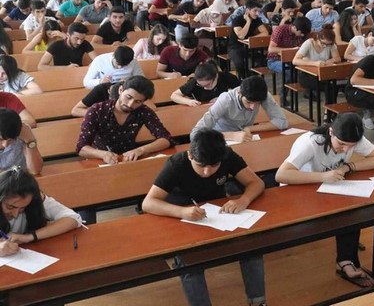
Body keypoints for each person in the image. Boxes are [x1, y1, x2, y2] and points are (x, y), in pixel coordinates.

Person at [142, 128, 267, 306]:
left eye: (214, 166)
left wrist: (243, 200)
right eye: (201, 166)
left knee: (250, 248)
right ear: (190, 155)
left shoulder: (226, 155)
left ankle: (258, 301)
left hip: (218, 216)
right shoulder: (177, 164)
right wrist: (182, 212)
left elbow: (256, 182)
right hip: (182, 218)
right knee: (190, 263)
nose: (207, 172)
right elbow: (148, 203)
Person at [275, 113, 374, 288]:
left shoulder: (351, 137)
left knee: (355, 206)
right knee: (347, 213)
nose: (346, 150)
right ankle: (347, 259)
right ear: (331, 132)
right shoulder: (310, 143)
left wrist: (349, 166)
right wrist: (323, 176)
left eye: (351, 147)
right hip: (301, 192)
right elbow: (281, 175)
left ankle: (346, 260)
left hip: (327, 189)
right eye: (341, 144)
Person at [77, 75, 173, 164]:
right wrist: (103, 154)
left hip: (129, 159)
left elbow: (166, 138)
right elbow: (81, 147)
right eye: (128, 97)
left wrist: (141, 150)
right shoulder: (97, 110)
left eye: (138, 101)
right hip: (99, 159)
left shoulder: (143, 111)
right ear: (120, 90)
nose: (130, 104)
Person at [0, 166, 82, 257]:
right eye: (10, 207)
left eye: (22, 208)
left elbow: (73, 219)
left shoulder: (35, 199)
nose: (15, 215)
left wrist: (29, 237)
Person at [191, 75, 287, 142]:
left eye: (258, 103)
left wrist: (249, 128)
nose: (253, 107)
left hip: (245, 138)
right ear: (239, 93)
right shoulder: (226, 100)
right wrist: (232, 135)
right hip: (220, 139)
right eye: (248, 102)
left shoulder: (262, 94)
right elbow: (195, 134)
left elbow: (282, 122)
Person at [292, 25, 342, 92]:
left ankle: (328, 99)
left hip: (322, 73)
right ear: (318, 38)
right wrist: (315, 63)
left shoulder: (330, 44)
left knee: (332, 85)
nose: (325, 46)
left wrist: (330, 61)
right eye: (323, 43)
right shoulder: (308, 43)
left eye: (328, 44)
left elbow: (338, 58)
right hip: (307, 75)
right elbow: (295, 61)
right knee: (329, 87)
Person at [229, 0, 269, 77]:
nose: (257, 13)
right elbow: (241, 36)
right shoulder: (237, 19)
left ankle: (251, 75)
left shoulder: (257, 19)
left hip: (249, 45)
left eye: (258, 11)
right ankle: (244, 78)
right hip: (235, 46)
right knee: (239, 63)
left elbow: (265, 33)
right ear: (247, 10)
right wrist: (248, 22)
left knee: (265, 60)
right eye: (255, 11)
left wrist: (251, 39)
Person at [171, 61, 241, 106]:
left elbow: (241, 89)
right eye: (201, 85)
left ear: (216, 76)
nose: (205, 88)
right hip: (201, 110)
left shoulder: (225, 76)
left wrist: (226, 97)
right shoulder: (194, 82)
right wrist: (189, 102)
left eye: (208, 84)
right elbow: (174, 96)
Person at [0, 109, 42, 174]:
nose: (5, 144)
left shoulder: (19, 133)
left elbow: (35, 170)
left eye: (10, 140)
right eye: (0, 139)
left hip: (19, 178)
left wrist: (30, 140)